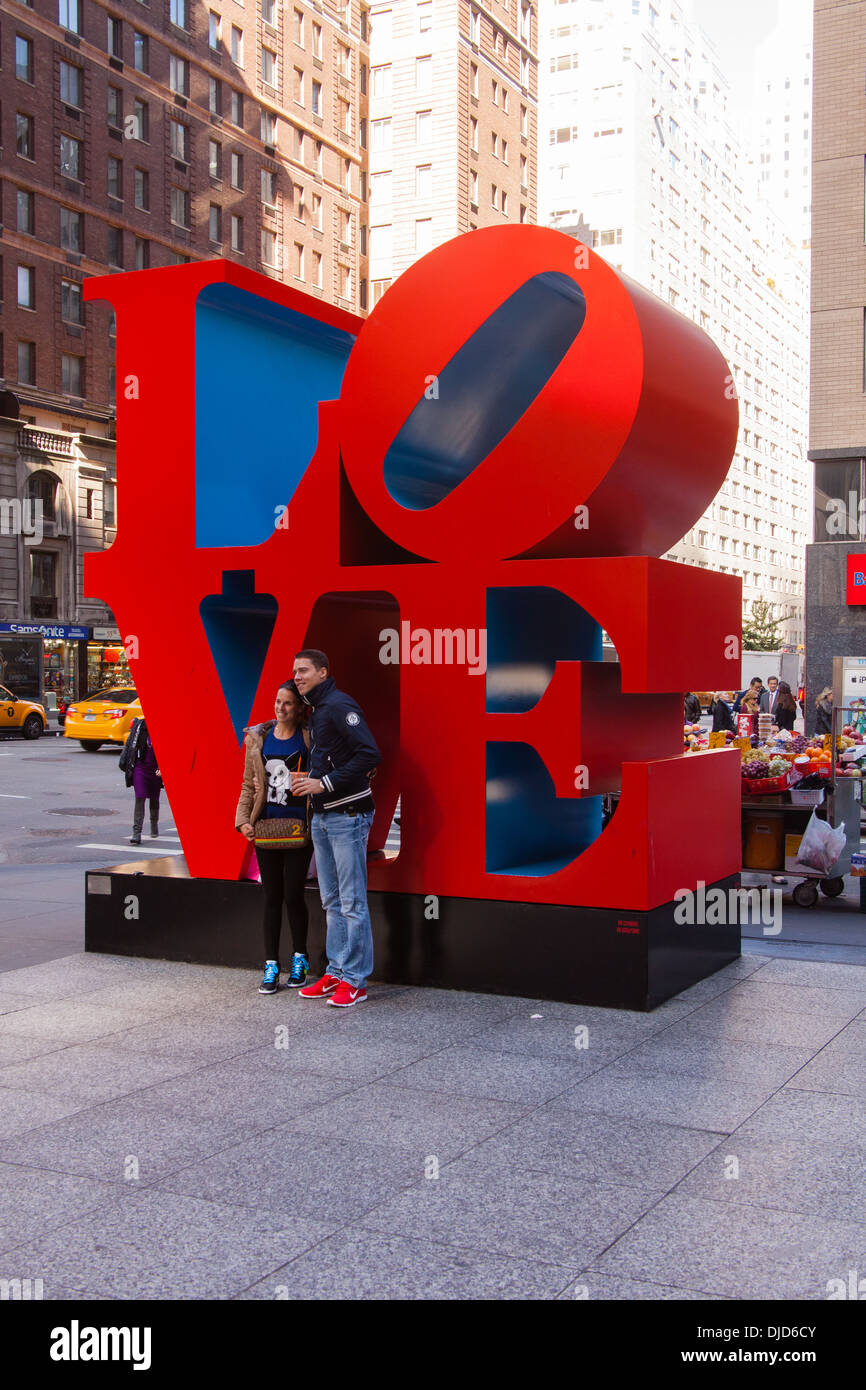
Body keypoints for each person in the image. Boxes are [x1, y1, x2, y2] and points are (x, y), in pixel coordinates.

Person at [292, 649, 381, 1009]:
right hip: (325, 817)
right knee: (331, 900)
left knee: (352, 902)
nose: (297, 677)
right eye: (295, 672)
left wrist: (324, 783)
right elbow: (336, 758)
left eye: (304, 671)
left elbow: (370, 755)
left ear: (323, 672)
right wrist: (312, 779)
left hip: (348, 815)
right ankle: (338, 971)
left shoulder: (339, 706)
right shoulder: (317, 710)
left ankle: (356, 981)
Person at [236, 681, 313, 994]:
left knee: (294, 895)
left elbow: (324, 774)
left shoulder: (309, 738)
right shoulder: (259, 740)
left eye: (288, 703)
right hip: (265, 827)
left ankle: (300, 958)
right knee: (271, 897)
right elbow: (248, 786)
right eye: (278, 702)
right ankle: (270, 964)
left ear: (300, 709)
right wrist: (243, 821)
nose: (281, 708)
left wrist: (312, 781)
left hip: (299, 828)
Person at [119, 716, 162, 845]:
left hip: (154, 770)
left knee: (154, 798)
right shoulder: (140, 726)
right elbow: (131, 744)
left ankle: (154, 824)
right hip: (140, 768)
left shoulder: (163, 727)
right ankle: (137, 833)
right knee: (140, 797)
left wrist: (162, 767)